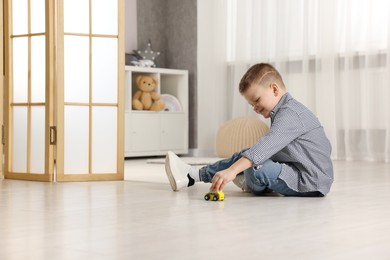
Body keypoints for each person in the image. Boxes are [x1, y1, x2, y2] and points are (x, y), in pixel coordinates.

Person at [165, 63, 333, 197]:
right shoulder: (284, 111)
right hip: (297, 169)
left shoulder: (291, 114)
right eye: (251, 104)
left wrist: (232, 170)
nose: (255, 108)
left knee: (255, 167)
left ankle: (249, 180)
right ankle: (192, 175)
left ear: (275, 89)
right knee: (248, 155)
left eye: (257, 100)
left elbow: (265, 147)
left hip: (309, 180)